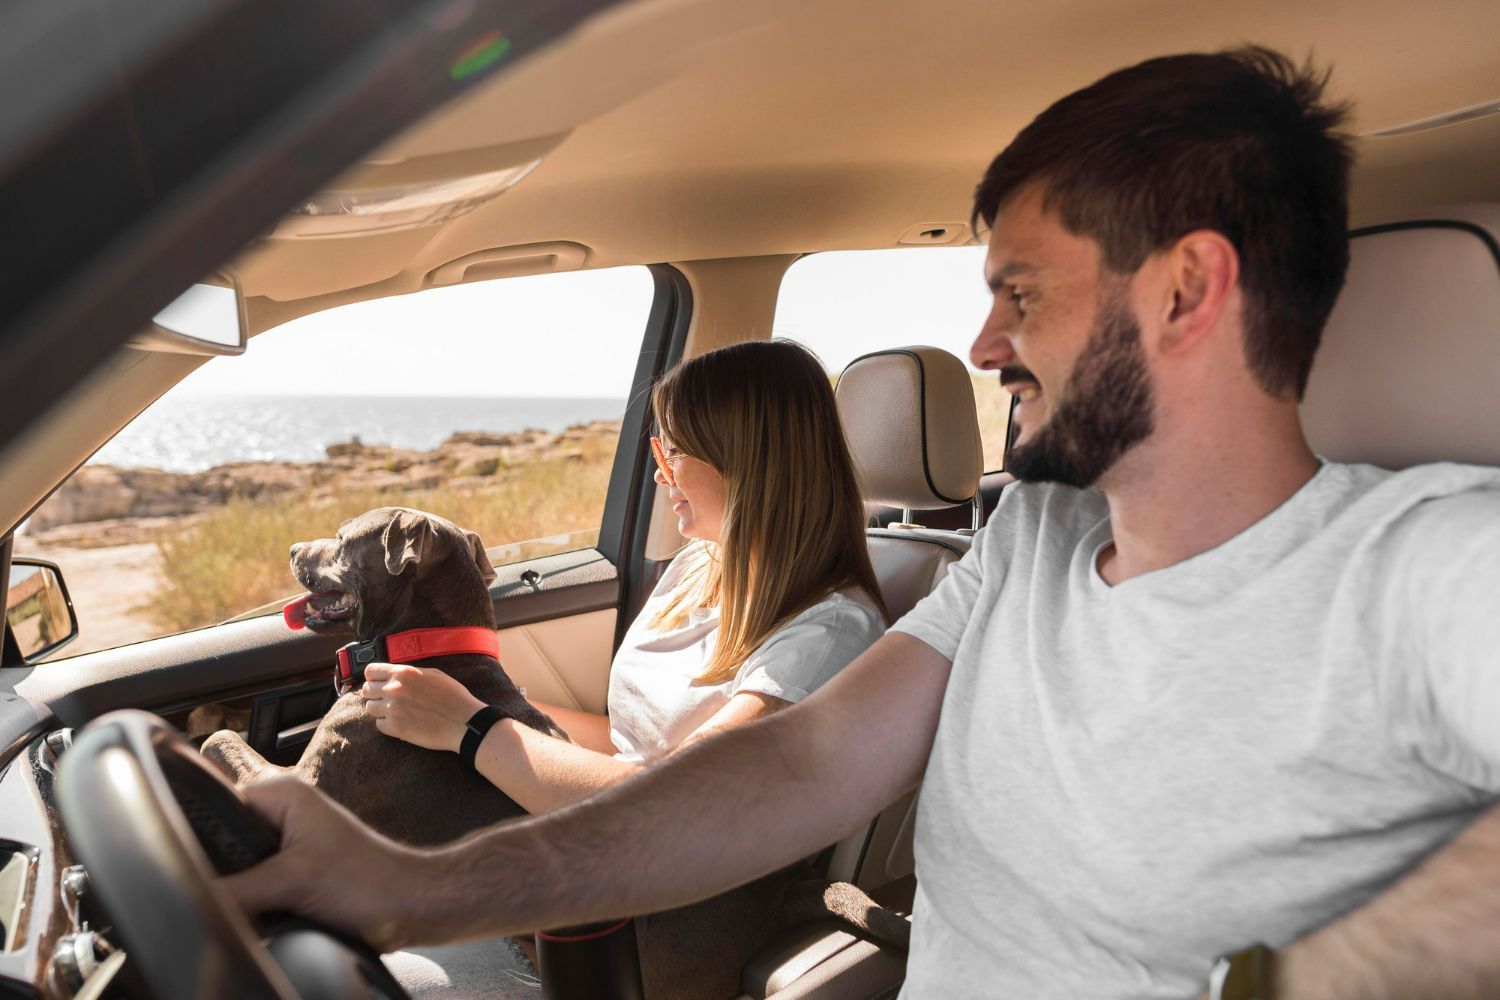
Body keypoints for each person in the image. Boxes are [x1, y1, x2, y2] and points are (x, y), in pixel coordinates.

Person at [228, 47, 1500, 999]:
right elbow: (795, 764)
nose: (984, 343)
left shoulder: (1421, 567)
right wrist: (406, 888)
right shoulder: (1030, 543)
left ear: (1185, 289)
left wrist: (1296, 972)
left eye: (1021, 292)